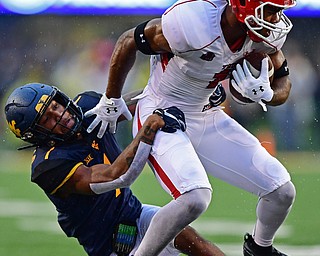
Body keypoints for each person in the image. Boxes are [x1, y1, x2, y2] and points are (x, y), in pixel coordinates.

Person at [84, 0, 297, 255]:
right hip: (161, 113)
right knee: (195, 197)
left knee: (282, 191)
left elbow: (283, 80)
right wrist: (111, 97)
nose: (276, 19)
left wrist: (267, 94)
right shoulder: (194, 22)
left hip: (205, 115)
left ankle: (260, 249)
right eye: (271, 10)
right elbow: (130, 40)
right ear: (243, 6)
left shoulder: (263, 36)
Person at [4, 83, 225, 256]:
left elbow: (141, 100)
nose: (60, 115)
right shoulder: (49, 164)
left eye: (55, 106)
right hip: (108, 244)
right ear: (37, 135)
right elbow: (116, 176)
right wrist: (150, 126)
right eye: (48, 120)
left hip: (134, 213)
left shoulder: (88, 105)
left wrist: (196, 95)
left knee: (195, 242)